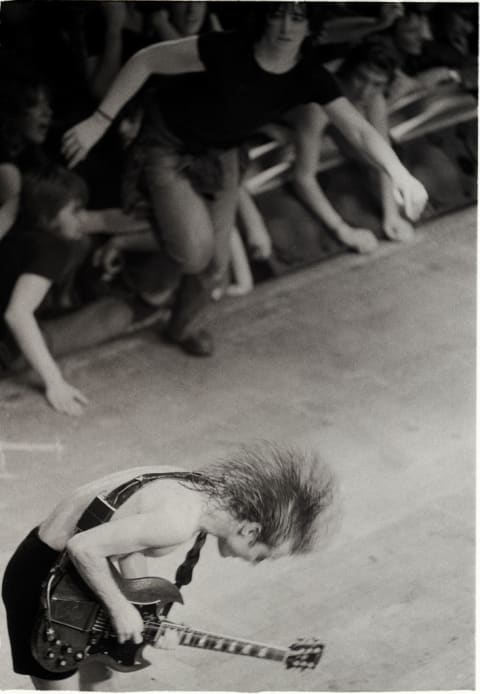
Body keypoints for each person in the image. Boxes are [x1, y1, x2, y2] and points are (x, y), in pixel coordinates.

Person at [62, 2, 428, 358]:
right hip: (168, 144)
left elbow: (360, 131)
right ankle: (153, 226)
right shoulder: (227, 47)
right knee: (194, 254)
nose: (286, 27)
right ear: (264, 16)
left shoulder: (308, 74)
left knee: (216, 266)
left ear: (310, 25)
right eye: (278, 14)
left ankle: (183, 327)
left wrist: (400, 174)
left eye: (297, 17)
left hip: (222, 153)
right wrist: (99, 119)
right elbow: (146, 59)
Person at [2, 440, 337, 691]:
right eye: (263, 555)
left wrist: (149, 617)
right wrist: (121, 608)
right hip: (43, 585)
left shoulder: (197, 489)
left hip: (66, 577)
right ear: (250, 530)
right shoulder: (177, 521)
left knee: (100, 681)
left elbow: (124, 545)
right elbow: (84, 548)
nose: (254, 563)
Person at [0, 166, 134, 416]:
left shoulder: (16, 225)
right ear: (48, 217)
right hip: (6, 349)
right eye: (75, 211)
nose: (82, 218)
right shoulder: (51, 247)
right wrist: (55, 382)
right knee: (117, 314)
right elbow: (17, 314)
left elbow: (104, 219)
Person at [282, 35, 415, 252]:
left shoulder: (374, 96)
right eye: (361, 78)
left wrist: (391, 216)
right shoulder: (319, 101)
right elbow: (303, 177)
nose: (366, 91)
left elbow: (383, 154)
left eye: (377, 83)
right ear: (349, 70)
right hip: (275, 114)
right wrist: (342, 230)